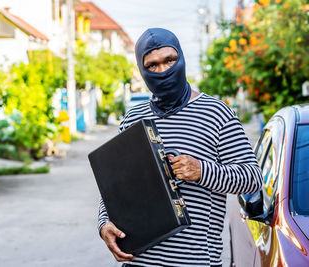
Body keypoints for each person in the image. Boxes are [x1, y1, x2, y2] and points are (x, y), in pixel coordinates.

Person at [98, 28, 263, 267]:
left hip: (195, 263)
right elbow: (114, 188)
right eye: (152, 65)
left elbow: (251, 178)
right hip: (137, 262)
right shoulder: (133, 118)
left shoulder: (216, 113)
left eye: (169, 60)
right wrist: (104, 224)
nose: (163, 71)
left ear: (181, 58)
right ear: (142, 70)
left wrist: (201, 171)